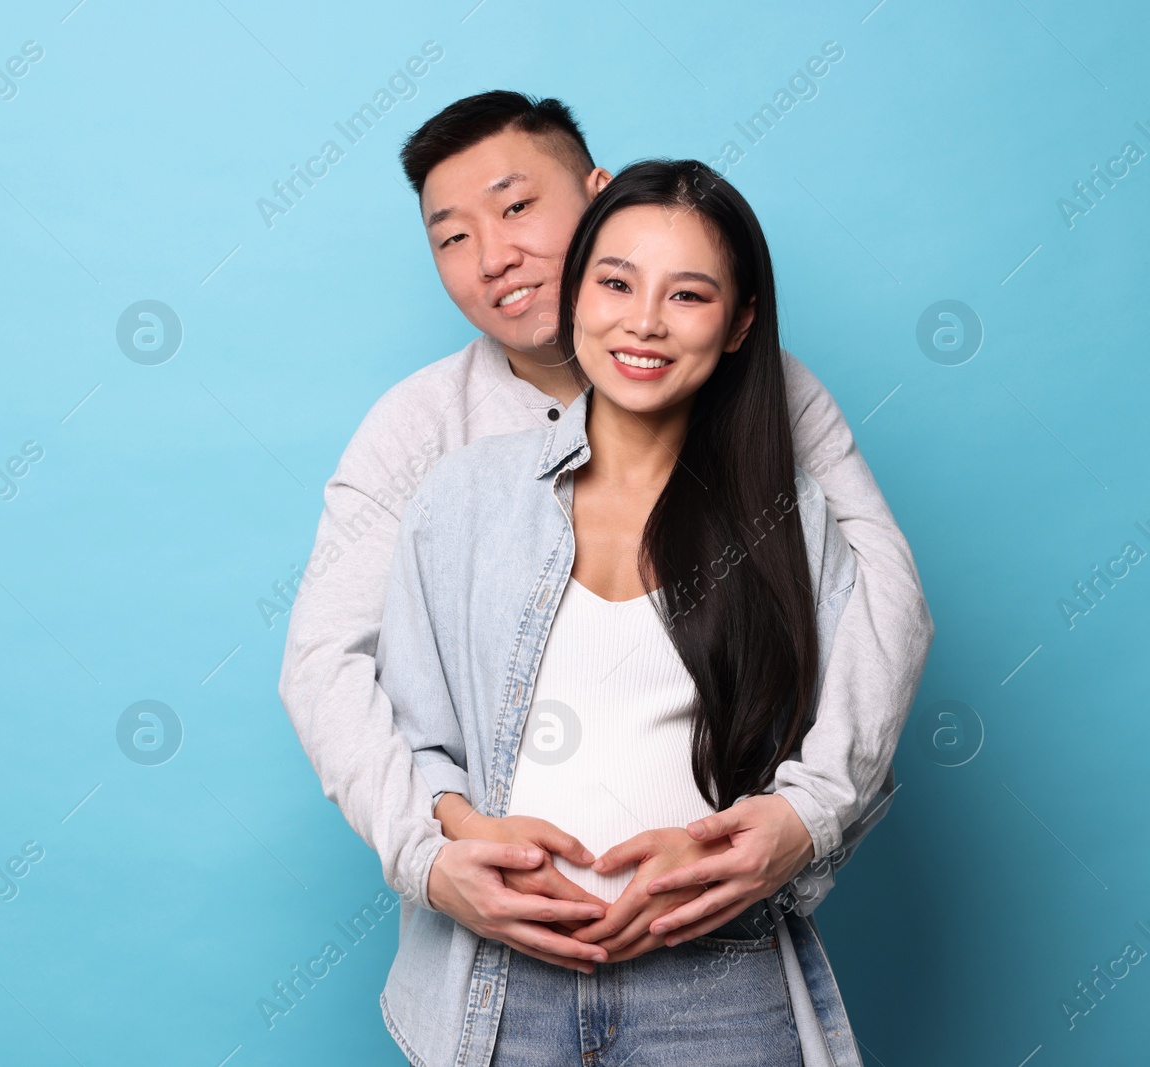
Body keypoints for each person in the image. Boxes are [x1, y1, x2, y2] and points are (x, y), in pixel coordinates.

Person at [276, 91, 931, 1056]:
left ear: (596, 196)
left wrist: (804, 816)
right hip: (504, 977)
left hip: (718, 970)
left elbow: (886, 601)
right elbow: (326, 666)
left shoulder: (765, 410)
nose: (492, 255)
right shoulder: (430, 449)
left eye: (514, 207)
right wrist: (431, 849)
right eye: (450, 236)